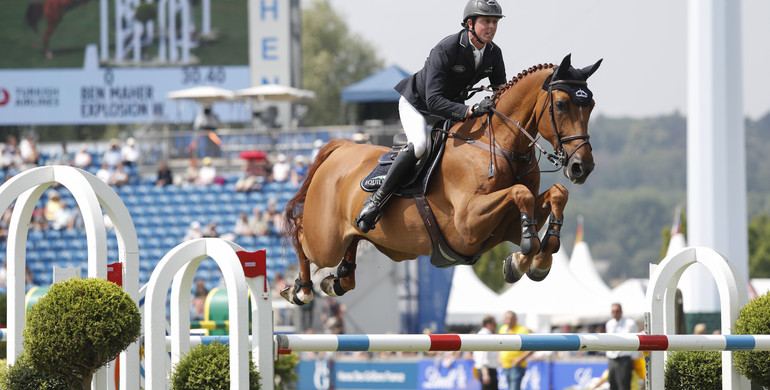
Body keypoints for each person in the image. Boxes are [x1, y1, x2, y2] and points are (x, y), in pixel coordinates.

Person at [356, 0, 506, 232]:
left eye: (495, 22)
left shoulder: (494, 53)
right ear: (469, 23)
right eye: (486, 21)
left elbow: (501, 91)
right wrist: (470, 110)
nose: (492, 27)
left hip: (449, 109)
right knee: (419, 146)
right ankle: (376, 201)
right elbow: (433, 100)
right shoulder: (447, 48)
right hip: (418, 104)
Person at [605, 303, 639, 390]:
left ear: (621, 312)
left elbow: (637, 340)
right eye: (613, 311)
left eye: (617, 311)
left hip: (624, 359)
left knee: (624, 386)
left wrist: (633, 358)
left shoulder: (630, 324)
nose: (615, 314)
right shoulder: (609, 324)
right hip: (612, 359)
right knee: (612, 384)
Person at [498, 311, 532, 390]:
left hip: (517, 365)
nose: (509, 321)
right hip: (505, 365)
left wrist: (519, 359)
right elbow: (500, 345)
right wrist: (499, 357)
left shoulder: (523, 330)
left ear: (516, 319)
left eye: (511, 319)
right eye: (507, 318)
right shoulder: (503, 329)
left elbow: (531, 348)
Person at [473, 315, 499, 390]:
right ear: (488, 324)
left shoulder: (482, 333)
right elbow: (483, 355)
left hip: (486, 369)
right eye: (494, 324)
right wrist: (485, 374)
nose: (495, 326)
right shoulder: (485, 335)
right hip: (487, 370)